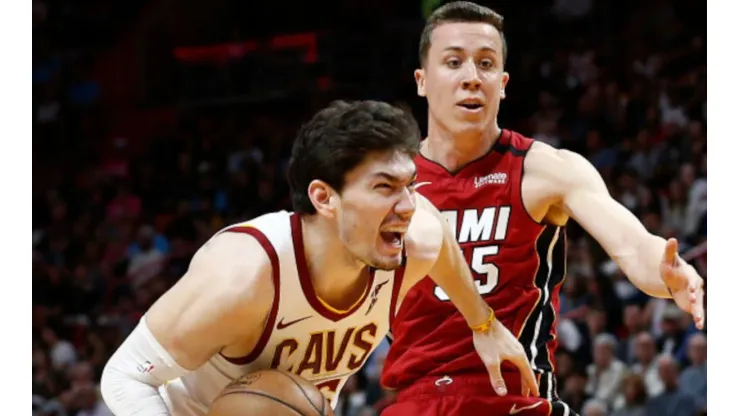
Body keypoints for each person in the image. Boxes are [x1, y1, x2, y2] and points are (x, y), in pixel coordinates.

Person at [99, 100, 536, 415]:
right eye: (384, 187)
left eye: (410, 185)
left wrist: (485, 324)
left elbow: (438, 235)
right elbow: (124, 376)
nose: (406, 205)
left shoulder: (411, 238)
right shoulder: (246, 274)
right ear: (324, 198)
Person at [380, 2, 706, 416]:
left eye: (486, 64)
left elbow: (631, 244)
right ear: (422, 81)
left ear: (503, 83)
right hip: (415, 403)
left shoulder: (544, 169)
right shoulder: (389, 185)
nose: (471, 78)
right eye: (454, 62)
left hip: (518, 401)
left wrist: (663, 271)